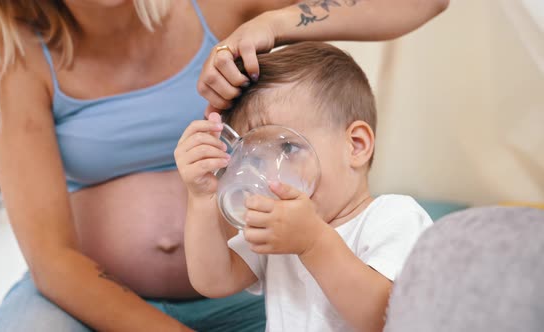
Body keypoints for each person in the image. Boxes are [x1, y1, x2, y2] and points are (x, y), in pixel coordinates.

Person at [0, 0, 448, 331]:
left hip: (253, 295)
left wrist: (275, 23)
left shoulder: (211, 5)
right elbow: (51, 259)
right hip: (97, 305)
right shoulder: (14, 58)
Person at [175, 42, 433, 332]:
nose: (273, 175)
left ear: (356, 145)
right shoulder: (281, 225)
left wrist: (313, 243)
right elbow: (214, 280)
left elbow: (383, 317)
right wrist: (201, 198)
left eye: (288, 148)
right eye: (256, 159)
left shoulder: (393, 216)